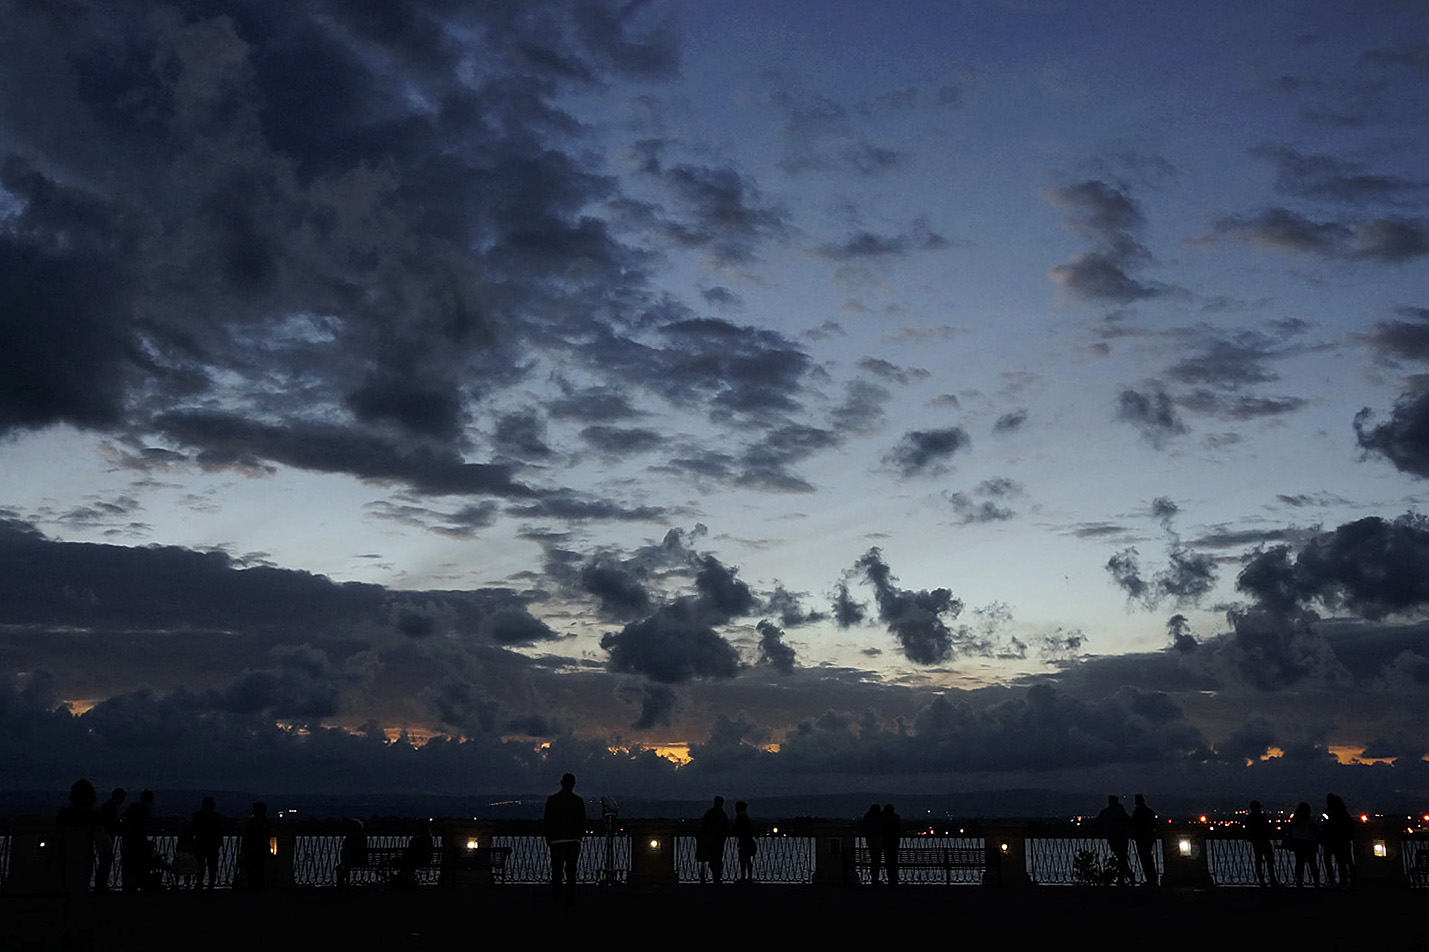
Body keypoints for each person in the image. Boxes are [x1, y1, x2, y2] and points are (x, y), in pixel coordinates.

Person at [544, 773, 585, 906]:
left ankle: (557, 895)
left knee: (557, 870)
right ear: (573, 784)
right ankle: (570, 897)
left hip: (556, 841)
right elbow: (582, 822)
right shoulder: (578, 801)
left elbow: (547, 821)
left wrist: (549, 839)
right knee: (571, 871)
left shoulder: (552, 800)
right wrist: (578, 837)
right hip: (573, 841)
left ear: (561, 783)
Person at [120, 789, 156, 892]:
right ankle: (135, 883)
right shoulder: (142, 809)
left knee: (132, 863)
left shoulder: (136, 807)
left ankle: (131, 884)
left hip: (133, 839)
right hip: (136, 840)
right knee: (136, 862)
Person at [1096, 795, 1134, 886]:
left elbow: (1097, 823)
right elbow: (1129, 820)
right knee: (1122, 858)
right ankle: (1126, 877)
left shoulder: (1105, 812)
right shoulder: (1120, 811)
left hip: (1112, 838)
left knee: (1121, 858)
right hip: (1122, 838)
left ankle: (1123, 878)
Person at [1322, 793, 1355, 888]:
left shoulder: (1332, 813)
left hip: (1335, 840)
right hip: (1343, 840)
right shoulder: (1344, 813)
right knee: (1347, 861)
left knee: (1340, 861)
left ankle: (1340, 881)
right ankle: (1350, 880)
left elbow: (1327, 825)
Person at [695, 795, 730, 884]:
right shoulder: (722, 814)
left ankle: (710, 877)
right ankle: (716, 877)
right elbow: (725, 827)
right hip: (716, 841)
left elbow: (704, 826)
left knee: (710, 860)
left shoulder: (711, 813)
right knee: (716, 860)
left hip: (711, 841)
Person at [96, 787, 125, 893]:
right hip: (106, 837)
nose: (123, 800)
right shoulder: (110, 807)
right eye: (122, 797)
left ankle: (101, 885)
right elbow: (111, 823)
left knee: (105, 861)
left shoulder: (108, 806)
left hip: (105, 836)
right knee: (105, 860)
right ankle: (101, 885)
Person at [192, 796, 223, 889]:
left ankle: (209, 883)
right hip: (203, 843)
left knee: (211, 865)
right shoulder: (199, 816)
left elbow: (219, 829)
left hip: (211, 844)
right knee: (201, 864)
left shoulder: (214, 817)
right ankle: (201, 882)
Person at [1286, 801, 1320, 887]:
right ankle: (1316, 882)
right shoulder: (1309, 820)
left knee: (1299, 863)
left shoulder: (1294, 820)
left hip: (1298, 843)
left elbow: (1290, 831)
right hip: (1308, 843)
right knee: (1312, 863)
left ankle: (1299, 881)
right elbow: (1314, 831)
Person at [1245, 800, 1279, 887]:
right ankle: (1272, 879)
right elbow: (1268, 827)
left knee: (1259, 860)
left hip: (1256, 841)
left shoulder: (1250, 818)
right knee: (1269, 861)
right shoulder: (1263, 817)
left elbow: (1248, 830)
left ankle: (1262, 880)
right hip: (1264, 840)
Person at [240, 801, 272, 891]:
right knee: (251, 868)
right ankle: (254, 886)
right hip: (251, 849)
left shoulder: (263, 823)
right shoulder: (253, 822)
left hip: (258, 849)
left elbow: (264, 836)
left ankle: (257, 887)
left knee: (258, 869)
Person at [1130, 793, 1158, 886]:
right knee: (1148, 859)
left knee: (1145, 859)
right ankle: (1152, 879)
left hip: (1142, 838)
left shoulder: (1138, 812)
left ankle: (1151, 880)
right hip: (1148, 838)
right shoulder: (1148, 811)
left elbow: (1134, 824)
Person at [732, 800, 757, 883]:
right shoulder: (745, 817)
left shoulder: (741, 818)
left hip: (744, 842)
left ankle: (744, 877)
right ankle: (748, 877)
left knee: (743, 860)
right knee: (747, 860)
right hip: (747, 841)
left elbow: (737, 828)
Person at [862, 803, 885, 885]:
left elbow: (864, 827)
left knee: (873, 859)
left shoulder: (867, 816)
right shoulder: (881, 817)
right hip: (879, 839)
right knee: (877, 859)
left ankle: (873, 878)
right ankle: (875, 878)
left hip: (870, 839)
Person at [881, 803, 901, 886]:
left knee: (888, 861)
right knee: (894, 861)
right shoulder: (896, 818)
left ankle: (890, 877)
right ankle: (894, 878)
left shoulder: (883, 819)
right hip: (894, 841)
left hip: (887, 842)